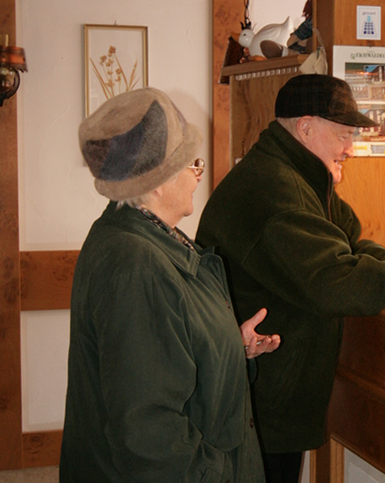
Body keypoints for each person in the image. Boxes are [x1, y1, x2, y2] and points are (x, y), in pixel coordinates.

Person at [196, 74, 385, 483]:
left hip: (269, 397)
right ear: (305, 127)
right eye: (344, 134)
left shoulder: (296, 176)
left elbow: (354, 250)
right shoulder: (274, 189)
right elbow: (337, 280)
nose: (350, 149)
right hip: (258, 403)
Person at [61, 88, 280, 483]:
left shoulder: (143, 236)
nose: (198, 174)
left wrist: (230, 347)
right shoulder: (136, 264)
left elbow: (166, 353)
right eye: (191, 163)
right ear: (157, 183)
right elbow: (148, 432)